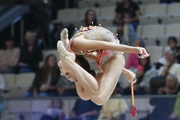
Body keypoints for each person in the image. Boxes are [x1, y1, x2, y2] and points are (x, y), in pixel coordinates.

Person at [57, 26, 149, 105]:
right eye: (67, 73)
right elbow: (98, 57)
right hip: (108, 58)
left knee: (99, 99)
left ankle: (69, 59)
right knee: (84, 95)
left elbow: (107, 45)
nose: (62, 72)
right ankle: (67, 53)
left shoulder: (78, 44)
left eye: (68, 73)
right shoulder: (79, 49)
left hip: (112, 55)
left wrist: (135, 49)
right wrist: (126, 71)